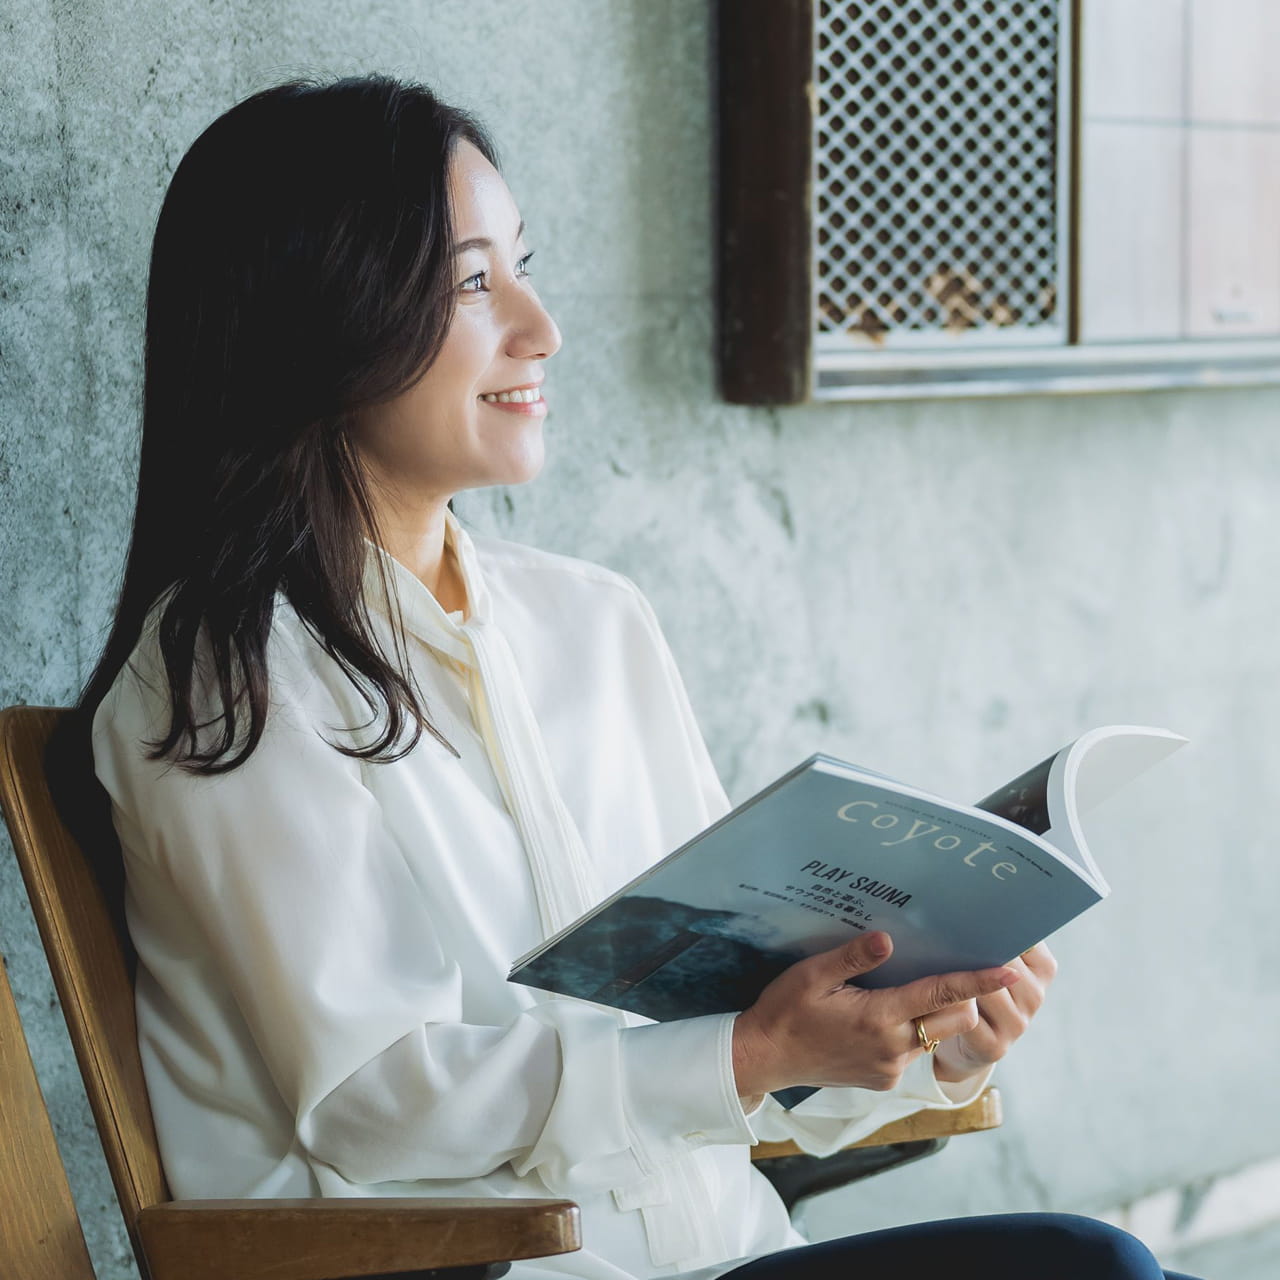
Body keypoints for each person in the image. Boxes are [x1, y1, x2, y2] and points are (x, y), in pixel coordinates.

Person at [82, 75, 1201, 1280]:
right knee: (1097, 1268)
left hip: (720, 1255)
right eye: (472, 282)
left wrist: (927, 1030)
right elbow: (373, 1097)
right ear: (323, 319)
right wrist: (744, 1054)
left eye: (523, 264)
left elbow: (738, 1024)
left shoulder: (593, 622)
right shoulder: (225, 675)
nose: (540, 326)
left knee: (1105, 1265)